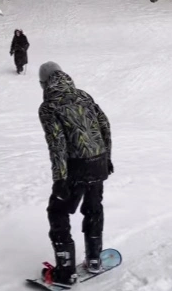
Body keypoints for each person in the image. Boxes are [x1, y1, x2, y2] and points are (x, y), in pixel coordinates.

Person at [38, 61, 113, 287]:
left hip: (75, 167)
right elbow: (104, 125)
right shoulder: (83, 95)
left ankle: (65, 271)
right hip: (98, 162)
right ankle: (93, 259)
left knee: (57, 212)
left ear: (44, 83)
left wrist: (59, 179)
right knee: (93, 209)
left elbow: (57, 144)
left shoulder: (49, 106)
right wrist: (107, 157)